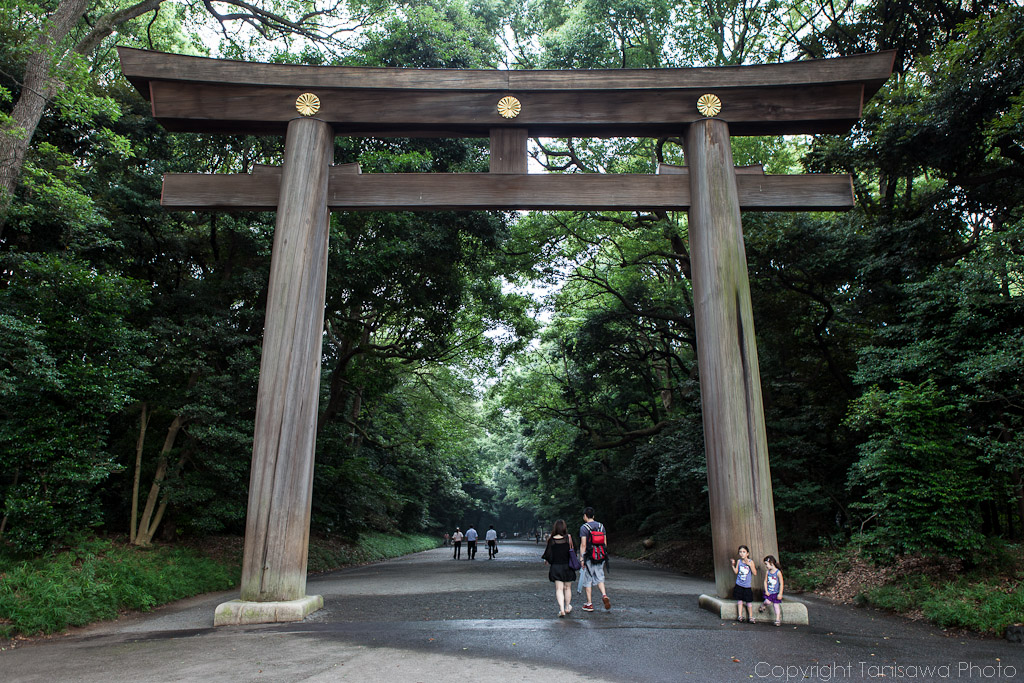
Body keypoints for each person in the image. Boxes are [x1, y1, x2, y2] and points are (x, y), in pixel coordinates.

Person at [541, 519, 577, 617]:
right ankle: (567, 607)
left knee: (559, 589)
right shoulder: (569, 538)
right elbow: (574, 551)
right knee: (568, 587)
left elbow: (548, 555)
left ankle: (561, 609)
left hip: (556, 567)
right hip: (568, 566)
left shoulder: (552, 540)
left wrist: (549, 560)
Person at [578, 507, 610, 612]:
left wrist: (581, 558)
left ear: (585, 516)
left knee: (588, 579)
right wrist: (603, 554)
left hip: (589, 556)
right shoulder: (601, 526)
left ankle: (589, 603)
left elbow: (583, 544)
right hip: (600, 556)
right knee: (600, 576)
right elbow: (605, 543)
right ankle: (604, 594)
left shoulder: (584, 528)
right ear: (594, 516)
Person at [731, 544, 758, 623]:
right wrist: (733, 565)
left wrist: (750, 565)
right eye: (740, 552)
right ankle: (740, 616)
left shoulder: (751, 562)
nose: (742, 553)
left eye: (744, 552)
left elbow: (755, 573)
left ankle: (751, 617)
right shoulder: (739, 561)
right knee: (739, 600)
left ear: (747, 553)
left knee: (748, 601)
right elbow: (736, 571)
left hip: (747, 586)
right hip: (739, 584)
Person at [759, 555, 784, 626]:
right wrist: (766, 590)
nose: (766, 566)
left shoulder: (778, 572)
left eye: (766, 564)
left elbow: (781, 583)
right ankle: (763, 605)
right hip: (769, 592)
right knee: (767, 601)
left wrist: (780, 593)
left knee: (776, 605)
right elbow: (765, 581)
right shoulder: (768, 572)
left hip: (775, 593)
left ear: (771, 563)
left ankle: (777, 619)